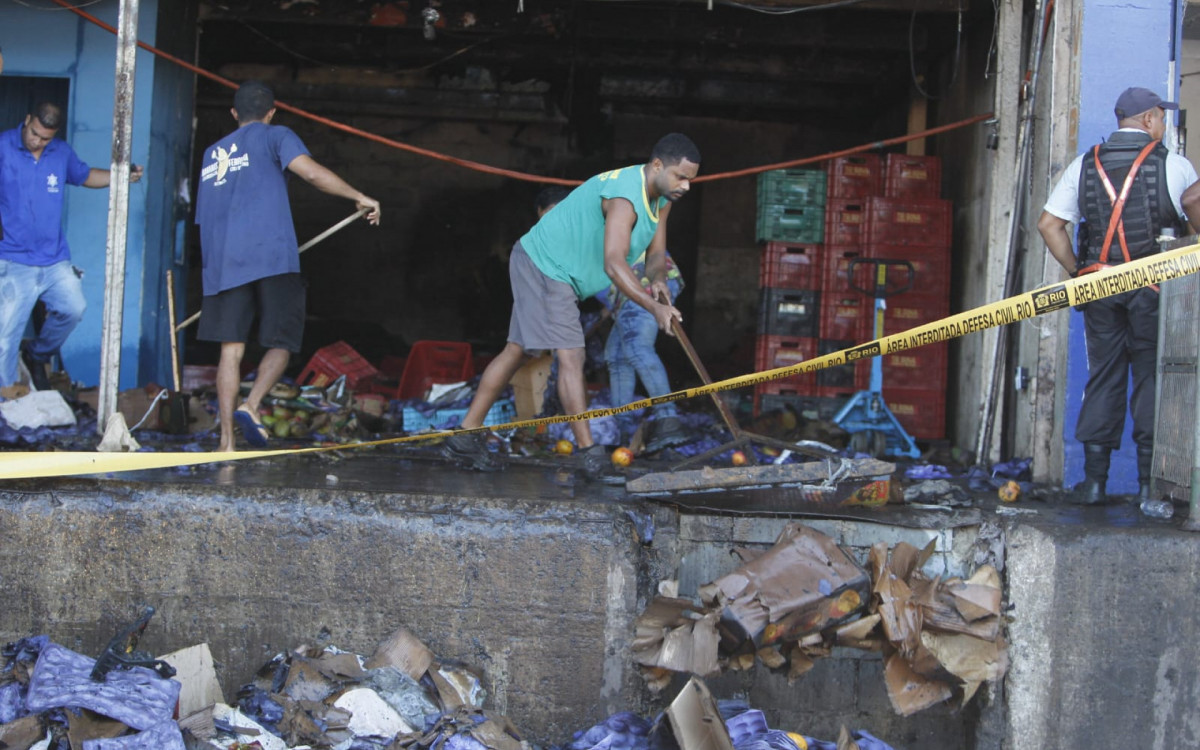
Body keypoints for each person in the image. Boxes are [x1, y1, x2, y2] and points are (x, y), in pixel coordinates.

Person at [443, 133, 701, 477]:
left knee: (518, 350)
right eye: (680, 176)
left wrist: (658, 281)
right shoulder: (625, 197)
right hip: (546, 265)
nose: (685, 186)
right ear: (656, 165)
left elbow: (656, 255)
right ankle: (587, 453)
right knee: (572, 355)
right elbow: (614, 263)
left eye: (690, 180)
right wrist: (653, 308)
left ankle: (464, 435)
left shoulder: (662, 200)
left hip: (548, 266)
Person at [195, 81, 380, 452]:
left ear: (234, 114)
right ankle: (252, 402)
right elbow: (310, 172)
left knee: (230, 352)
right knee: (282, 340)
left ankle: (226, 444)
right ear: (271, 112)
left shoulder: (212, 154)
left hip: (223, 261)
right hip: (271, 256)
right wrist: (358, 196)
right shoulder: (276, 135)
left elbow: (203, 217)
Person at [1037, 86, 1199, 506]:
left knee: (1104, 377)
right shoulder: (1175, 165)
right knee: (1151, 379)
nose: (1163, 125)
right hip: (1155, 293)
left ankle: (1093, 485)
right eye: (1161, 118)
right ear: (1148, 120)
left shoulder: (1083, 165)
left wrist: (1078, 271)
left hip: (1099, 290)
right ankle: (1149, 487)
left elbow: (1049, 225)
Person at [0, 101, 143, 390]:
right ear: (27, 120)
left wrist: (119, 176)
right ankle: (5, 401)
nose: (37, 141)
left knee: (73, 308)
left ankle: (36, 354)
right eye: (34, 134)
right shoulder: (3, 147)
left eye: (44, 138)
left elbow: (85, 175)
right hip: (13, 260)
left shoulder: (60, 153)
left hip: (54, 260)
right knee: (4, 338)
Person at [599, 248, 690, 452]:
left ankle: (667, 420)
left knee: (637, 347)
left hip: (642, 281)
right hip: (626, 293)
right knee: (617, 356)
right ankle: (625, 430)